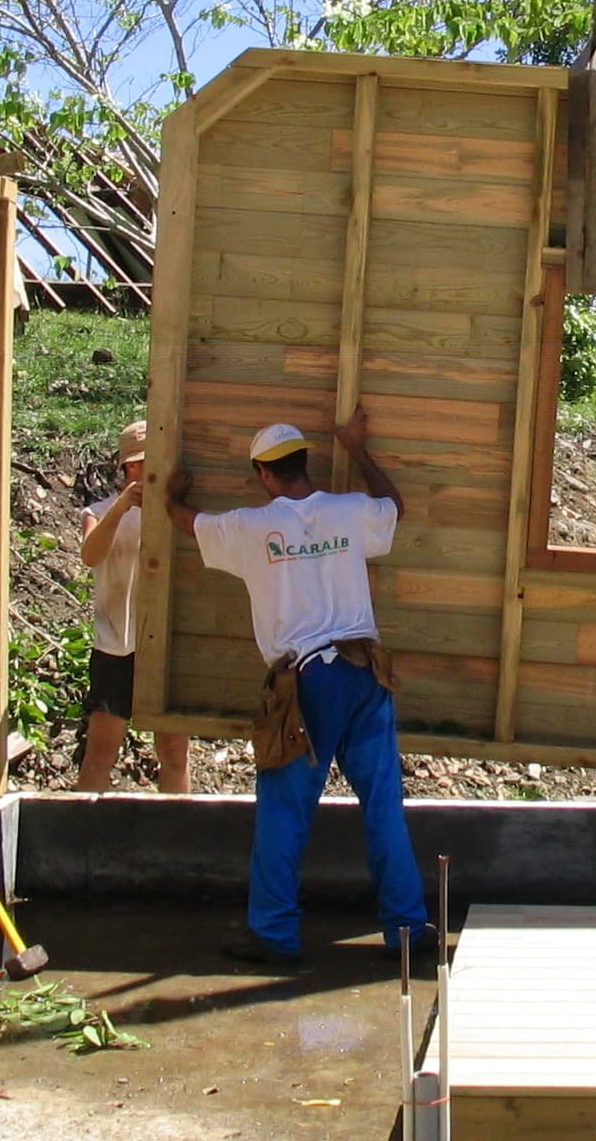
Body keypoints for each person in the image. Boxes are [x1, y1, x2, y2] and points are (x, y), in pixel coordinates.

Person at [164, 409, 429, 969]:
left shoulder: (250, 528)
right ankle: (406, 929)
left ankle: (275, 935)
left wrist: (173, 492)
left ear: (264, 475)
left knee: (285, 813)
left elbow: (185, 521)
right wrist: (357, 448)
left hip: (307, 683)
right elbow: (394, 510)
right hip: (365, 672)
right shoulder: (348, 511)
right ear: (305, 464)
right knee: (383, 806)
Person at [78, 418, 191, 793]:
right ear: (129, 466)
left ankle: (176, 835)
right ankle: (82, 840)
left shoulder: (176, 513)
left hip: (165, 646)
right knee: (101, 751)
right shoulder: (99, 511)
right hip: (117, 646)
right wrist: (123, 506)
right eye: (143, 462)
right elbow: (91, 556)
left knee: (174, 752)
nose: (152, 468)